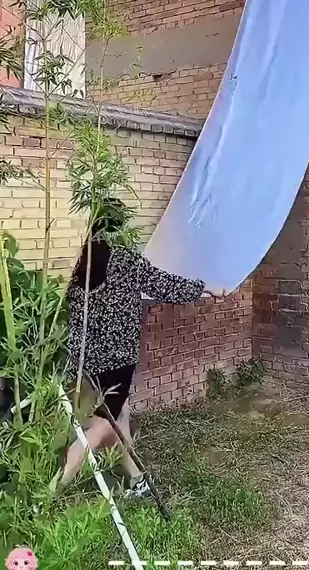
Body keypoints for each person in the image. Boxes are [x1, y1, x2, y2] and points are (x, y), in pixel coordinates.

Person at [57, 198, 222, 497]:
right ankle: (56, 487)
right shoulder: (124, 260)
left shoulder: (77, 261)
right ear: (118, 227)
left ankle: (136, 479)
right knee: (103, 426)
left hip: (83, 356)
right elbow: (165, 285)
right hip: (116, 358)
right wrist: (206, 287)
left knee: (120, 416)